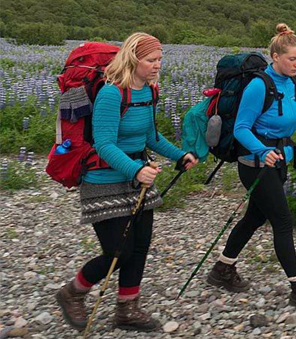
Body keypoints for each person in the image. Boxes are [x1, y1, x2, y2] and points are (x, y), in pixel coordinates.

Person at [55, 33, 198, 331]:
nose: (157, 65)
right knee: (118, 252)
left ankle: (127, 309)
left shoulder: (148, 91)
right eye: (151, 60)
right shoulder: (111, 93)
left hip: (136, 177)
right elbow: (104, 144)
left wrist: (180, 154)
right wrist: (135, 170)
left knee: (140, 246)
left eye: (159, 59)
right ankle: (72, 293)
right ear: (133, 60)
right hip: (103, 179)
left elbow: (150, 137)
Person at [206, 23, 296, 313]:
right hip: (255, 163)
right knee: (283, 221)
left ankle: (222, 269)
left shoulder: (293, 83)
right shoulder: (259, 85)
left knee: (254, 218)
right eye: (292, 59)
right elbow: (242, 128)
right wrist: (262, 150)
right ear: (275, 57)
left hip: (279, 160)